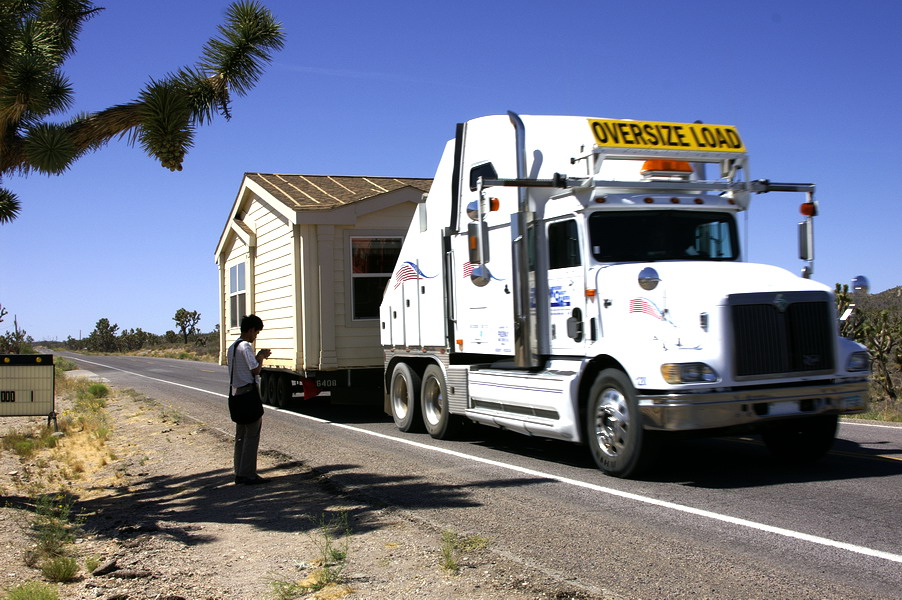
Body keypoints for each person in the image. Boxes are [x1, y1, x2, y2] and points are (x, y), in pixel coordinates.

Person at [227, 314, 271, 485]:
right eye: (256, 332)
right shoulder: (245, 347)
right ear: (251, 330)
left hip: (236, 395)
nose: (256, 336)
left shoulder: (232, 347)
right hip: (248, 395)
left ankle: (239, 472)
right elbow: (255, 370)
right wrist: (260, 356)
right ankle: (249, 474)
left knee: (240, 436)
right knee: (252, 436)